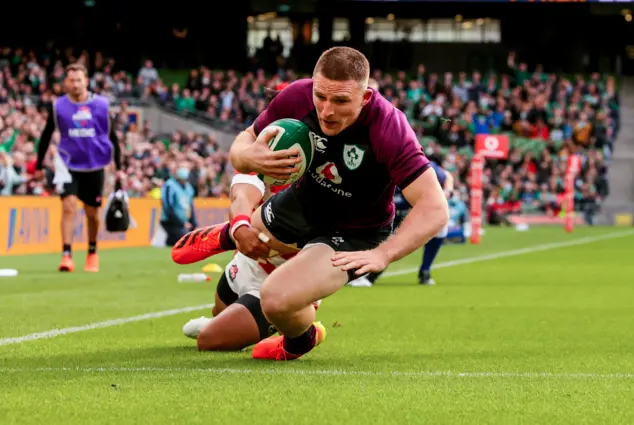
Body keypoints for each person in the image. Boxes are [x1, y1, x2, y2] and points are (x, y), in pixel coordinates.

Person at [226, 46, 449, 361]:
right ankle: (225, 234)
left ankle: (301, 339)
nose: (327, 110)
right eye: (321, 96)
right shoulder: (297, 95)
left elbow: (435, 207)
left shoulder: (389, 127)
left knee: (275, 300)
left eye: (341, 100)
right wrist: (246, 155)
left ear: (365, 97)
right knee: (211, 335)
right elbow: (244, 142)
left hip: (355, 231)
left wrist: (383, 253)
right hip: (303, 203)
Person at [179, 171, 321, 351]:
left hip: (286, 279)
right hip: (249, 263)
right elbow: (242, 197)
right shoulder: (258, 154)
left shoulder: (321, 178)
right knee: (219, 313)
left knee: (210, 340)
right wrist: (239, 227)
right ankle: (228, 235)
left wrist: (233, 237)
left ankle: (304, 332)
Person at [35, 63, 122, 273]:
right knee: (68, 206)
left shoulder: (101, 105)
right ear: (66, 83)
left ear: (86, 81)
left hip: (94, 165)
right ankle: (67, 254)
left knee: (92, 214)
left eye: (79, 80)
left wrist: (119, 166)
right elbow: (46, 135)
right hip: (68, 165)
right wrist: (38, 164)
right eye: (71, 80)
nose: (75, 84)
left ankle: (92, 252)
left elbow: (113, 137)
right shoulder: (58, 106)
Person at [347, 161, 454, 287]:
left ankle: (425, 271)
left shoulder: (415, 164)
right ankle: (358, 273)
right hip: (384, 211)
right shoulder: (374, 170)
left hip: (413, 210)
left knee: (439, 227)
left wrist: (448, 191)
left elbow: (447, 176)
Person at [160, 165, 198, 247]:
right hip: (170, 220)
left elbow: (190, 206)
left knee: (175, 239)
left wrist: (193, 223)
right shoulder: (170, 185)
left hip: (183, 221)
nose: (183, 181)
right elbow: (168, 207)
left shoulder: (188, 187)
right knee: (182, 238)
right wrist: (181, 223)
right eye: (181, 180)